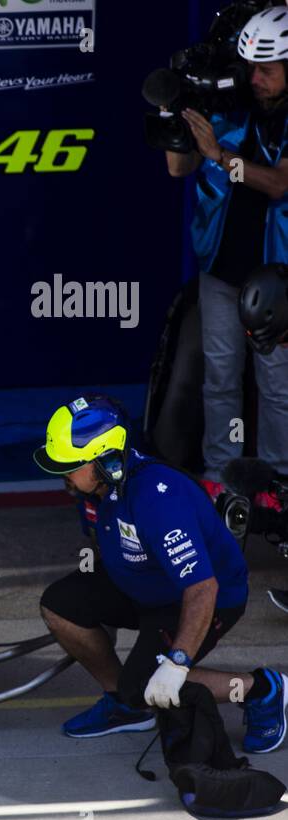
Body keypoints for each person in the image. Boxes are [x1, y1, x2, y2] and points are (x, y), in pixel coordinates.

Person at [34, 395, 288, 753]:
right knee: (61, 604)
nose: (63, 475)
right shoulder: (97, 486)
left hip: (202, 598)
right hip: (146, 585)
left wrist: (177, 663)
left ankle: (261, 688)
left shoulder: (158, 499)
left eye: (71, 466)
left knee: (147, 682)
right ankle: (126, 705)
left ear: (106, 461)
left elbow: (202, 586)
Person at [167, 6, 288, 504]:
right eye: (251, 68)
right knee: (220, 378)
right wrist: (174, 114)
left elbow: (280, 185)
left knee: (277, 385)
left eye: (267, 70)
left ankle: (276, 483)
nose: (255, 79)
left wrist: (221, 156)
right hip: (220, 268)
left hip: (277, 279)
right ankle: (222, 475)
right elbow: (178, 169)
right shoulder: (226, 98)